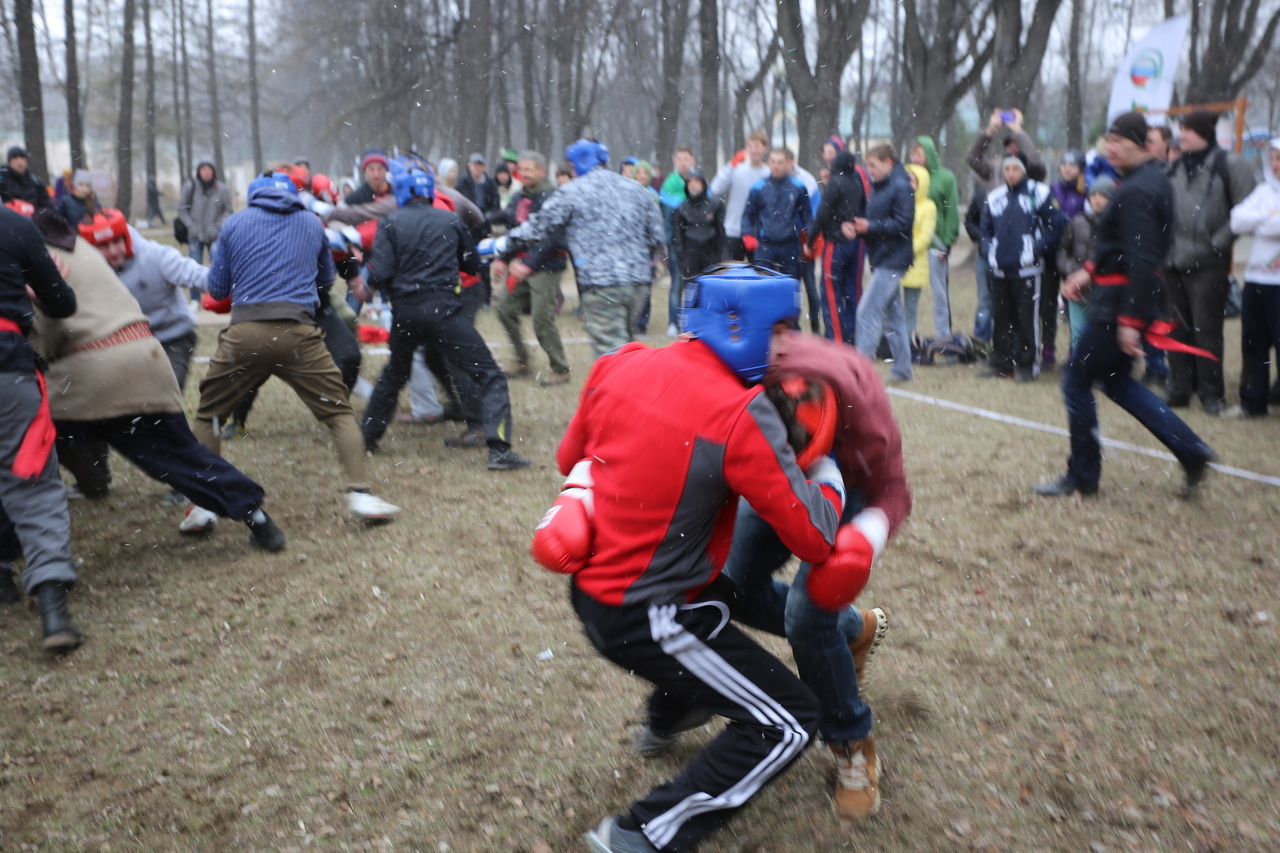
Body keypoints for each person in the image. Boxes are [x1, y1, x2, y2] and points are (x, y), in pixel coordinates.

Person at [561, 264, 854, 853]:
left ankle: (669, 717)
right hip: (647, 611)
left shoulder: (620, 362)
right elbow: (815, 540)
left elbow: (571, 457)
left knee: (727, 598)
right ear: (740, 325)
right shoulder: (739, 414)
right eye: (780, 331)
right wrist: (826, 473)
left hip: (601, 587)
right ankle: (642, 835)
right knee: (791, 718)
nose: (786, 347)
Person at [709, 330, 911, 821]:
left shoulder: (864, 421)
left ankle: (852, 746)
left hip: (849, 481)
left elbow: (894, 492)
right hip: (772, 468)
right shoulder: (739, 373)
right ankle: (852, 631)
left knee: (808, 615)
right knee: (729, 585)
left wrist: (865, 535)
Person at [26, 209, 286, 551]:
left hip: (90, 374)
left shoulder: (26, 261)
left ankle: (31, 551)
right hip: (145, 358)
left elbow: (34, 339)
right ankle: (258, 519)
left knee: (28, 452)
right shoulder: (78, 248)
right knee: (180, 455)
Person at [192, 172, 401, 521]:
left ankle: (203, 505)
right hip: (299, 331)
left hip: (245, 332)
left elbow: (216, 288)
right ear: (295, 196)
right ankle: (361, 495)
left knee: (208, 416)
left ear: (252, 196)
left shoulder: (233, 223)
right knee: (338, 414)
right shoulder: (311, 223)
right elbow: (323, 280)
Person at [1035, 112, 1217, 498]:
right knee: (1116, 382)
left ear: (1140, 143)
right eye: (1108, 140)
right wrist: (1089, 270)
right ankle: (1190, 449)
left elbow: (1142, 257)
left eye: (1120, 141)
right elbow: (1119, 247)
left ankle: (1082, 477)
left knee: (1076, 379)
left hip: (1119, 305)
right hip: (1118, 297)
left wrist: (1130, 319)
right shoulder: (1143, 182)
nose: (1111, 148)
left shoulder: (1140, 190)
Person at [360, 168, 531, 470]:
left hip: (405, 312)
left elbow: (378, 273)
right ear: (429, 192)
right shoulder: (450, 219)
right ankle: (499, 450)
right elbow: (473, 265)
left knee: (394, 374)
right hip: (443, 309)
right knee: (489, 375)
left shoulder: (390, 222)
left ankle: (366, 440)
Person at [496, 138, 665, 360]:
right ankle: (635, 388)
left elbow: (540, 226)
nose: (573, 172)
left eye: (573, 166)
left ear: (583, 162)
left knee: (611, 358)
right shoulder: (636, 188)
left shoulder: (573, 191)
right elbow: (657, 236)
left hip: (603, 285)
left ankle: (620, 392)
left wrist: (503, 243)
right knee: (627, 350)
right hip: (639, 284)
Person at [0, 203, 81, 653]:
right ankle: (52, 609)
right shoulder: (14, 225)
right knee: (31, 486)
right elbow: (62, 302)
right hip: (7, 369)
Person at [1163, 109, 1257, 414]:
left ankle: (1211, 394)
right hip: (1173, 262)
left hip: (1209, 264)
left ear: (1204, 132)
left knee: (1207, 332)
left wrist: (1218, 244)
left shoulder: (1230, 164)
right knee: (1175, 330)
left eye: (1188, 130)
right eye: (1181, 129)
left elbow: (1249, 208)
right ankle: (1179, 389)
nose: (1182, 135)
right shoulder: (1173, 167)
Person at [77, 208, 206, 390]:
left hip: (173, 336)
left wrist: (224, 283)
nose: (113, 251)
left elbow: (195, 274)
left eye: (116, 241)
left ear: (126, 238)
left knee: (168, 392)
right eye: (104, 246)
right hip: (126, 345)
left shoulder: (154, 255)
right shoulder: (87, 273)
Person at [979, 154, 1067, 382]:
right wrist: (990, 252)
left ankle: (1029, 365)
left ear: (1024, 170)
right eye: (1007, 169)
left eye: (1015, 169)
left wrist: (1034, 250)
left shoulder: (1040, 193)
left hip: (1027, 270)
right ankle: (1001, 363)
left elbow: (1054, 227)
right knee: (1001, 318)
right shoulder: (995, 196)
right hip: (999, 270)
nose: (1010, 173)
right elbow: (985, 230)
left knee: (1027, 319)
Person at [489, 150, 572, 385]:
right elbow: (515, 232)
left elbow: (554, 238)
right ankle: (522, 359)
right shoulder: (518, 198)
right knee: (503, 307)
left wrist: (528, 264)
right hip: (523, 265)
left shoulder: (552, 197)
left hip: (547, 267)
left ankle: (561, 368)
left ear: (542, 171)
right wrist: (503, 259)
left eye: (529, 169)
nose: (523, 173)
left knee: (541, 319)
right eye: (521, 169)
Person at [850, 145, 914, 383]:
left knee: (867, 313)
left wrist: (871, 227)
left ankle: (860, 375)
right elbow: (878, 224)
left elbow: (903, 224)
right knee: (893, 318)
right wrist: (859, 229)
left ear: (889, 162)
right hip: (882, 258)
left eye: (873, 165)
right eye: (868, 166)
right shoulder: (881, 188)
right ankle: (903, 370)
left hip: (893, 261)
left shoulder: (901, 186)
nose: (870, 171)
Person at [1226, 137, 1280, 417]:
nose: (1275, 164)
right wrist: (1265, 217)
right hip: (1256, 280)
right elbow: (1236, 219)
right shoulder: (1263, 191)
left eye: (1279, 158)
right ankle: (1253, 402)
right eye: (1273, 158)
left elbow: (1275, 227)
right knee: (1252, 341)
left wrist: (1261, 221)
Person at [815, 148, 869, 344]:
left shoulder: (835, 182)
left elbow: (823, 213)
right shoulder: (856, 181)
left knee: (830, 293)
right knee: (852, 292)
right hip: (854, 242)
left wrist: (811, 240)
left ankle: (836, 340)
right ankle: (855, 337)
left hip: (836, 243)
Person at [1056, 177, 1116, 354]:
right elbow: (1063, 250)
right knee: (1078, 332)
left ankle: (1102, 372)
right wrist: (1070, 272)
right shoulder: (1077, 222)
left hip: (1103, 289)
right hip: (1077, 288)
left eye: (1103, 195)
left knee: (1102, 333)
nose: (1097, 199)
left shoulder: (1117, 225)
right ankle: (1079, 370)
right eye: (1094, 194)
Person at [910, 136, 959, 337]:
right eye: (913, 154)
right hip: (912, 245)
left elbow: (951, 211)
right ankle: (908, 336)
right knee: (910, 294)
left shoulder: (945, 178)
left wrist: (947, 241)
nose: (915, 158)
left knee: (939, 294)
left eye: (919, 154)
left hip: (935, 244)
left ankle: (944, 336)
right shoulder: (909, 176)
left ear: (929, 154)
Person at [741, 148, 812, 282]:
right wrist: (747, 234)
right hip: (765, 245)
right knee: (763, 288)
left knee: (791, 287)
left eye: (780, 162)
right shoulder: (758, 187)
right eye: (773, 162)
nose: (776, 166)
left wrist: (810, 240)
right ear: (769, 163)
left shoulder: (798, 187)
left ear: (787, 163)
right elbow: (747, 215)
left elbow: (807, 217)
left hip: (790, 245)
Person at [670, 167, 727, 324]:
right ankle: (691, 327)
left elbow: (721, 233)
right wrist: (682, 258)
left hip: (711, 256)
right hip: (690, 256)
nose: (693, 185)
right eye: (690, 182)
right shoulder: (681, 208)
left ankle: (713, 325)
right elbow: (677, 236)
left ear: (703, 183)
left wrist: (721, 258)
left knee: (712, 294)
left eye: (697, 181)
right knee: (691, 294)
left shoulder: (715, 205)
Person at [709, 129, 770, 260]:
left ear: (766, 148)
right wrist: (731, 164)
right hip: (733, 230)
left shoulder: (768, 174)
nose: (754, 151)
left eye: (757, 147)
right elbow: (715, 188)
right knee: (731, 275)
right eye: (750, 146)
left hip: (759, 233)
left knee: (757, 276)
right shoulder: (737, 169)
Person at [660, 145, 697, 335]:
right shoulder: (669, 185)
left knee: (694, 282)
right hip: (676, 243)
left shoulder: (697, 181)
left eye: (686, 159)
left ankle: (692, 322)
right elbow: (666, 218)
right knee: (676, 282)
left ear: (693, 161)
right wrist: (668, 243)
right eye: (679, 159)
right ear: (675, 162)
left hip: (695, 243)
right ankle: (673, 323)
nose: (683, 162)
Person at [965, 109, 1047, 190]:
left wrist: (1019, 131)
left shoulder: (1029, 171)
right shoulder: (995, 170)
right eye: (1009, 147)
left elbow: (1035, 163)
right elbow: (972, 158)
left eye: (1016, 147)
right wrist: (989, 131)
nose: (1011, 150)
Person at [901, 164, 937, 338]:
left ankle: (907, 341)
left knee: (910, 308)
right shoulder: (901, 201)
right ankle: (887, 343)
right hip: (895, 262)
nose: (909, 184)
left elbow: (925, 236)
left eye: (913, 180)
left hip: (915, 264)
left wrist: (905, 249)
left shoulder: (928, 206)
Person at [177, 160, 232, 266]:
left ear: (213, 171)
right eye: (203, 169)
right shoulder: (190, 187)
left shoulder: (222, 189)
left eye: (209, 169)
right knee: (194, 267)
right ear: (198, 171)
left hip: (216, 235)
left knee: (217, 267)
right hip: (194, 235)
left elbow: (228, 211)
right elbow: (182, 209)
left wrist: (218, 226)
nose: (206, 172)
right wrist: (190, 225)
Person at [964, 173, 993, 350]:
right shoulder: (982, 194)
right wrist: (982, 238)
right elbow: (969, 221)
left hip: (1007, 258)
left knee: (1004, 302)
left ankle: (1004, 342)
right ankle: (981, 341)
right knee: (984, 299)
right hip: (984, 257)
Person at [0, 146, 52, 211]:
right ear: (9, 162)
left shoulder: (36, 182)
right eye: (15, 158)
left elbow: (47, 207)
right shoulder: (2, 180)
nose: (20, 162)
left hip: (32, 219)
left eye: (22, 158)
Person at [456, 153, 501, 226]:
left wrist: (487, 217)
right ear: (469, 166)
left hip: (486, 224)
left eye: (480, 165)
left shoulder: (491, 184)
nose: (477, 168)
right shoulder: (462, 183)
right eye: (475, 165)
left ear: (484, 167)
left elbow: (496, 204)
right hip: (467, 222)